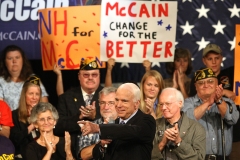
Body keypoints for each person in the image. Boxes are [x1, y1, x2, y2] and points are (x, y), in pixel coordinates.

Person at [78, 83, 156, 160]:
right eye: (116, 100)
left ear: (136, 103)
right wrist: (101, 145)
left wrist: (98, 128)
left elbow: (130, 131)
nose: (118, 105)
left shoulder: (147, 121)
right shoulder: (114, 124)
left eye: (124, 101)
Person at [182, 68, 239, 159]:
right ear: (195, 86)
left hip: (223, 157)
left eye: (210, 81)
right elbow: (185, 120)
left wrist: (219, 101)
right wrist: (208, 102)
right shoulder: (188, 103)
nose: (206, 85)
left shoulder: (228, 102)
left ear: (217, 84)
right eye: (201, 83)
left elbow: (233, 119)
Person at [54, 58, 104, 158]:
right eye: (86, 75)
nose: (90, 78)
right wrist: (79, 117)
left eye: (94, 75)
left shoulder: (108, 96)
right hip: (71, 152)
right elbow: (57, 127)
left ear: (99, 76)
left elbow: (115, 122)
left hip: (101, 152)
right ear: (79, 76)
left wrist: (95, 117)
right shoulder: (66, 97)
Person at [151, 88, 206, 160]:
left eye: (168, 104)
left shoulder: (196, 128)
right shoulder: (154, 126)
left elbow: (199, 158)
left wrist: (179, 142)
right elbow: (146, 155)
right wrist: (162, 143)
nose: (163, 108)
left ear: (179, 103)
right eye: (161, 104)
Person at [0, 45, 48, 111]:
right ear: (5, 62)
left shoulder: (33, 78)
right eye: (10, 58)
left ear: (23, 60)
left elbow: (44, 105)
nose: (14, 61)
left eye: (17, 57)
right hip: (9, 120)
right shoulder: (1, 81)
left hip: (32, 119)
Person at [79, 86, 118, 160]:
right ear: (99, 104)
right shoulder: (90, 126)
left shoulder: (125, 124)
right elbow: (83, 155)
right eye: (103, 103)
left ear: (118, 104)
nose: (106, 107)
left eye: (111, 103)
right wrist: (100, 144)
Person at [10, 75, 42, 159]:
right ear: (24, 95)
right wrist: (31, 126)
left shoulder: (44, 114)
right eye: (31, 94)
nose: (34, 97)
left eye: (37, 94)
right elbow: (15, 139)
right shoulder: (14, 115)